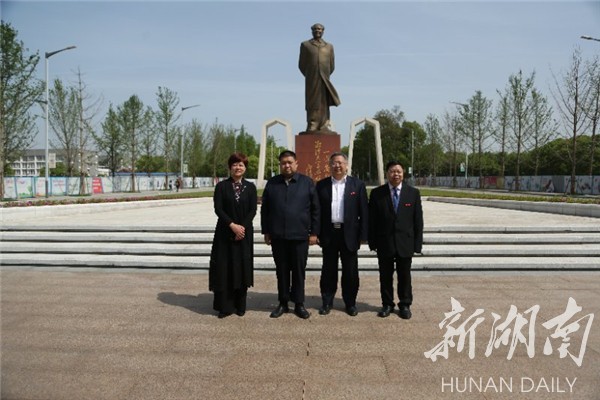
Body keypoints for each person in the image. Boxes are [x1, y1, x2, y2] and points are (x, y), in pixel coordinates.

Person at [261, 150, 320, 319]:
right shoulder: (272, 183)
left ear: (296, 164)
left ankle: (299, 303)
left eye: (289, 162)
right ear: (280, 165)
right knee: (282, 271)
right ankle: (283, 302)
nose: (287, 165)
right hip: (278, 236)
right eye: (283, 163)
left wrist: (314, 233)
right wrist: (266, 231)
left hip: (300, 236)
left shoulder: (307, 182)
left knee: (299, 271)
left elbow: (316, 210)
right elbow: (265, 209)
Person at [368, 161, 423, 320]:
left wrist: (417, 244)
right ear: (387, 174)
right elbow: (372, 220)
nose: (396, 174)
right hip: (384, 242)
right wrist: (372, 242)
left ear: (403, 173)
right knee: (385, 276)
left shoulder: (413, 193)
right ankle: (387, 304)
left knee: (404, 276)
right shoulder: (377, 193)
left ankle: (405, 304)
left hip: (405, 242)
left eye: (399, 171)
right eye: (392, 171)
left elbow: (418, 221)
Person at [315, 153, 368, 316]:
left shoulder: (357, 185)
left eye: (340, 163)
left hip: (350, 234)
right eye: (334, 163)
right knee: (328, 270)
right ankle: (327, 301)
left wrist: (363, 235)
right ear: (329, 165)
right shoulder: (321, 185)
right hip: (329, 233)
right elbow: (316, 211)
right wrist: (315, 232)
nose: (337, 166)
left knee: (350, 271)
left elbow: (364, 211)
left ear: (346, 165)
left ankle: (350, 303)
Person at [209, 153, 257, 318]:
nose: (238, 167)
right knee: (225, 268)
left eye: (241, 165)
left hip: (244, 234)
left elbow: (253, 210)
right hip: (225, 233)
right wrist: (232, 226)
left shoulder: (250, 187)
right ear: (230, 167)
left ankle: (240, 305)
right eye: (235, 164)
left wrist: (241, 228)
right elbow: (218, 209)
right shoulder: (222, 187)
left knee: (241, 267)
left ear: (245, 168)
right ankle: (225, 306)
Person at [298, 23, 341, 133]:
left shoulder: (329, 46)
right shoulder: (306, 45)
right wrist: (310, 73)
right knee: (313, 100)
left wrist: (324, 73)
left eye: (320, 29)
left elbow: (332, 65)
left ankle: (324, 124)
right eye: (316, 29)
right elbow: (301, 64)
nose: (318, 31)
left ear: (323, 31)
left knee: (324, 101)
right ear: (312, 31)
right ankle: (312, 123)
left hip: (325, 77)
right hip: (311, 77)